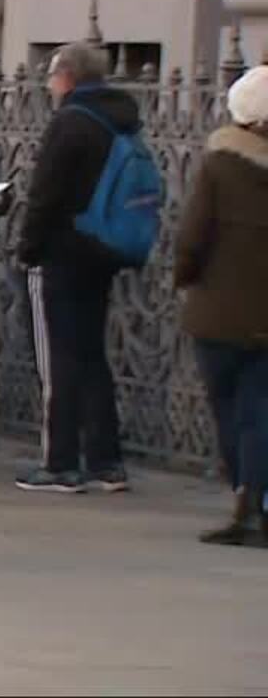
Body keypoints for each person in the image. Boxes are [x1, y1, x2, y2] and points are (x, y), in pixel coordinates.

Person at [15, 42, 140, 494]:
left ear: (67, 76)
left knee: (59, 359)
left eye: (51, 75)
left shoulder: (69, 122)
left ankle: (59, 461)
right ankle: (107, 461)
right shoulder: (119, 118)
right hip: (102, 251)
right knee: (90, 352)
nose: (49, 85)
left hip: (62, 253)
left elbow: (45, 194)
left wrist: (27, 247)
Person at [176, 66, 268, 546]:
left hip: (220, 308)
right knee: (261, 408)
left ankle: (245, 502)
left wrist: (183, 277)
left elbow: (194, 234)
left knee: (231, 406)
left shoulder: (221, 163)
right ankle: (258, 502)